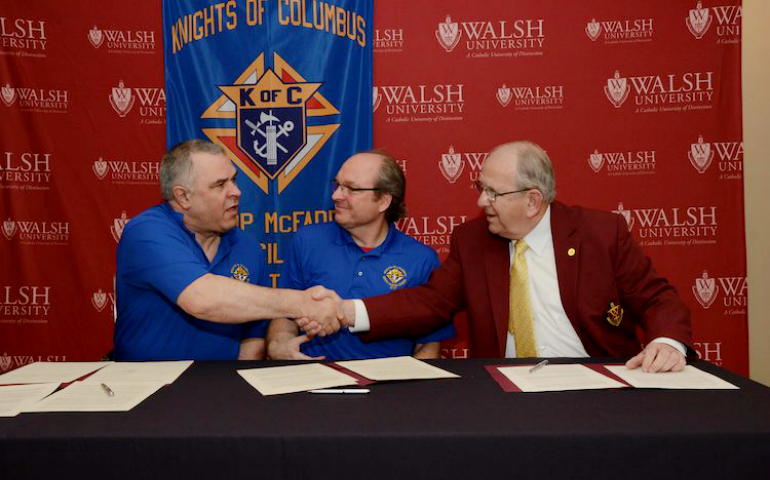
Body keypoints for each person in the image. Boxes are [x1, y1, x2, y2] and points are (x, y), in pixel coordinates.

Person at [298, 141, 693, 373]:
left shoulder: (600, 233)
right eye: (480, 187)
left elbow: (657, 298)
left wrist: (669, 342)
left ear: (532, 201)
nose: (479, 201)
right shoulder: (474, 241)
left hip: (595, 381)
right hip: (503, 389)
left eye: (492, 193)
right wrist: (349, 311)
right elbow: (430, 302)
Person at [114, 139, 343, 361]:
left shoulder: (248, 246)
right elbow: (202, 299)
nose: (236, 191)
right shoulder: (147, 231)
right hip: (150, 388)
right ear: (183, 196)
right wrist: (304, 303)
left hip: (220, 389)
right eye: (220, 185)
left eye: (234, 180)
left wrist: (239, 388)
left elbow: (253, 333)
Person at [267, 151, 454, 360]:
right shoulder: (307, 241)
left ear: (383, 201)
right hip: (316, 379)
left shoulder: (421, 259)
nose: (336, 195)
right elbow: (284, 313)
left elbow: (429, 345)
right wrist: (279, 344)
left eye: (351, 189)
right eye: (337, 185)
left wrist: (411, 389)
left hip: (390, 387)